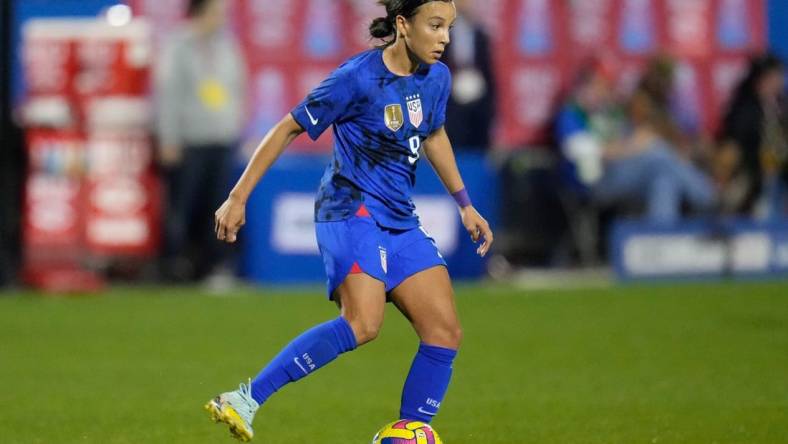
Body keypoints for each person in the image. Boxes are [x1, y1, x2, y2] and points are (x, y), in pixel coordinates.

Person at [205, 1, 493, 441]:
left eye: (449, 28)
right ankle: (244, 399)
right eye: (435, 26)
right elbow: (287, 127)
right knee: (363, 323)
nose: (445, 38)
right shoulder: (356, 78)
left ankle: (406, 433)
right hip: (350, 210)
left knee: (444, 331)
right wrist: (238, 197)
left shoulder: (436, 78)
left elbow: (433, 133)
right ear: (403, 24)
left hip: (399, 217)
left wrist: (465, 203)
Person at [155, 0, 247, 283]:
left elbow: (238, 89)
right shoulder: (178, 46)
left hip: (222, 140)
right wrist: (168, 137)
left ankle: (216, 268)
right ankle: (175, 267)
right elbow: (168, 95)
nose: (221, 18)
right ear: (200, 13)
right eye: (216, 12)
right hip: (190, 141)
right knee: (182, 208)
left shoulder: (228, 46)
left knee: (219, 207)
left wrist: (238, 129)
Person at [719, 53, 787, 219]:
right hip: (751, 173)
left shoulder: (782, 106)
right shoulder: (743, 108)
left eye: (780, 76)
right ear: (760, 80)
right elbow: (735, 146)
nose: (779, 82)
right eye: (774, 77)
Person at [441, 0, 496, 151]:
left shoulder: (480, 34)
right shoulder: (441, 35)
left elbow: (488, 71)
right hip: (450, 97)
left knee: (477, 140)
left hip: (478, 97)